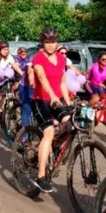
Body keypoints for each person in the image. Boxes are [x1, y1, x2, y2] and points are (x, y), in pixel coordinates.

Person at [30, 27, 72, 193]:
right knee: (49, 132)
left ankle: (53, 147)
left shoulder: (61, 58)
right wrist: (53, 95)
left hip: (56, 101)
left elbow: (62, 82)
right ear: (43, 43)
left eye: (53, 42)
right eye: (47, 42)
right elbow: (41, 77)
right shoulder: (38, 58)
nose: (50, 45)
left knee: (70, 125)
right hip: (41, 101)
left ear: (57, 42)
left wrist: (67, 102)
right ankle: (41, 176)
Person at [0, 40, 24, 112]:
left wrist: (23, 74)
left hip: (2, 77)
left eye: (7, 49)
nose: (6, 51)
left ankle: (0, 106)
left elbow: (15, 67)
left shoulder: (9, 57)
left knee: (5, 89)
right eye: (4, 49)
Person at [14, 47, 34, 127]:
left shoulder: (28, 59)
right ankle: (24, 134)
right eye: (21, 53)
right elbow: (16, 69)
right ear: (18, 53)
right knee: (26, 107)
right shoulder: (16, 59)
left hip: (28, 82)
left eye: (25, 53)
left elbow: (30, 69)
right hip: (19, 80)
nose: (23, 54)